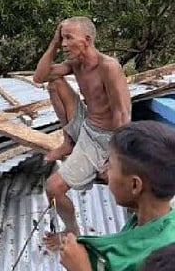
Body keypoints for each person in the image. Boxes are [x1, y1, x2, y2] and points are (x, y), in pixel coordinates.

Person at [32, 16, 131, 246]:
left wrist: (115, 159)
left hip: (106, 138)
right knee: (54, 83)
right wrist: (53, 44)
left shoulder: (109, 67)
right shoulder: (76, 63)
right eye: (62, 38)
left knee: (53, 187)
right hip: (87, 126)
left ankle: (73, 233)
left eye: (68, 38)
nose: (64, 43)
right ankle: (69, 141)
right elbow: (39, 77)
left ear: (86, 40)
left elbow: (123, 115)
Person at [60, 121, 175, 271]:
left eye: (110, 165)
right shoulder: (146, 221)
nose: (104, 169)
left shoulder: (160, 260)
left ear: (134, 185)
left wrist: (81, 268)